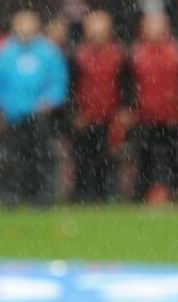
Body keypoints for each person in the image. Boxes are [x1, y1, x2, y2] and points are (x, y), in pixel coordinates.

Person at [0, 10, 69, 207]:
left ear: (36, 27)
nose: (24, 30)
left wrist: (48, 100)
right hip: (13, 116)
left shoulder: (49, 52)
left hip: (39, 117)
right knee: (12, 159)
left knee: (41, 157)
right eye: (21, 25)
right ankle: (11, 197)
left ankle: (42, 197)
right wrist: (0, 105)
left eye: (29, 25)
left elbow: (58, 82)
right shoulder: (5, 52)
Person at [130, 11, 178, 203]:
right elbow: (130, 86)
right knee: (144, 158)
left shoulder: (176, 52)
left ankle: (174, 193)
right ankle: (143, 195)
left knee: (173, 157)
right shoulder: (136, 54)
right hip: (144, 117)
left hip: (172, 117)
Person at [71, 11, 129, 203]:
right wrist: (75, 113)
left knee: (109, 159)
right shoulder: (77, 55)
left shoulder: (119, 55)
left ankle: (108, 196)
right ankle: (84, 196)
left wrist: (124, 110)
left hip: (111, 118)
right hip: (85, 117)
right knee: (84, 160)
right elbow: (72, 87)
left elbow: (127, 85)